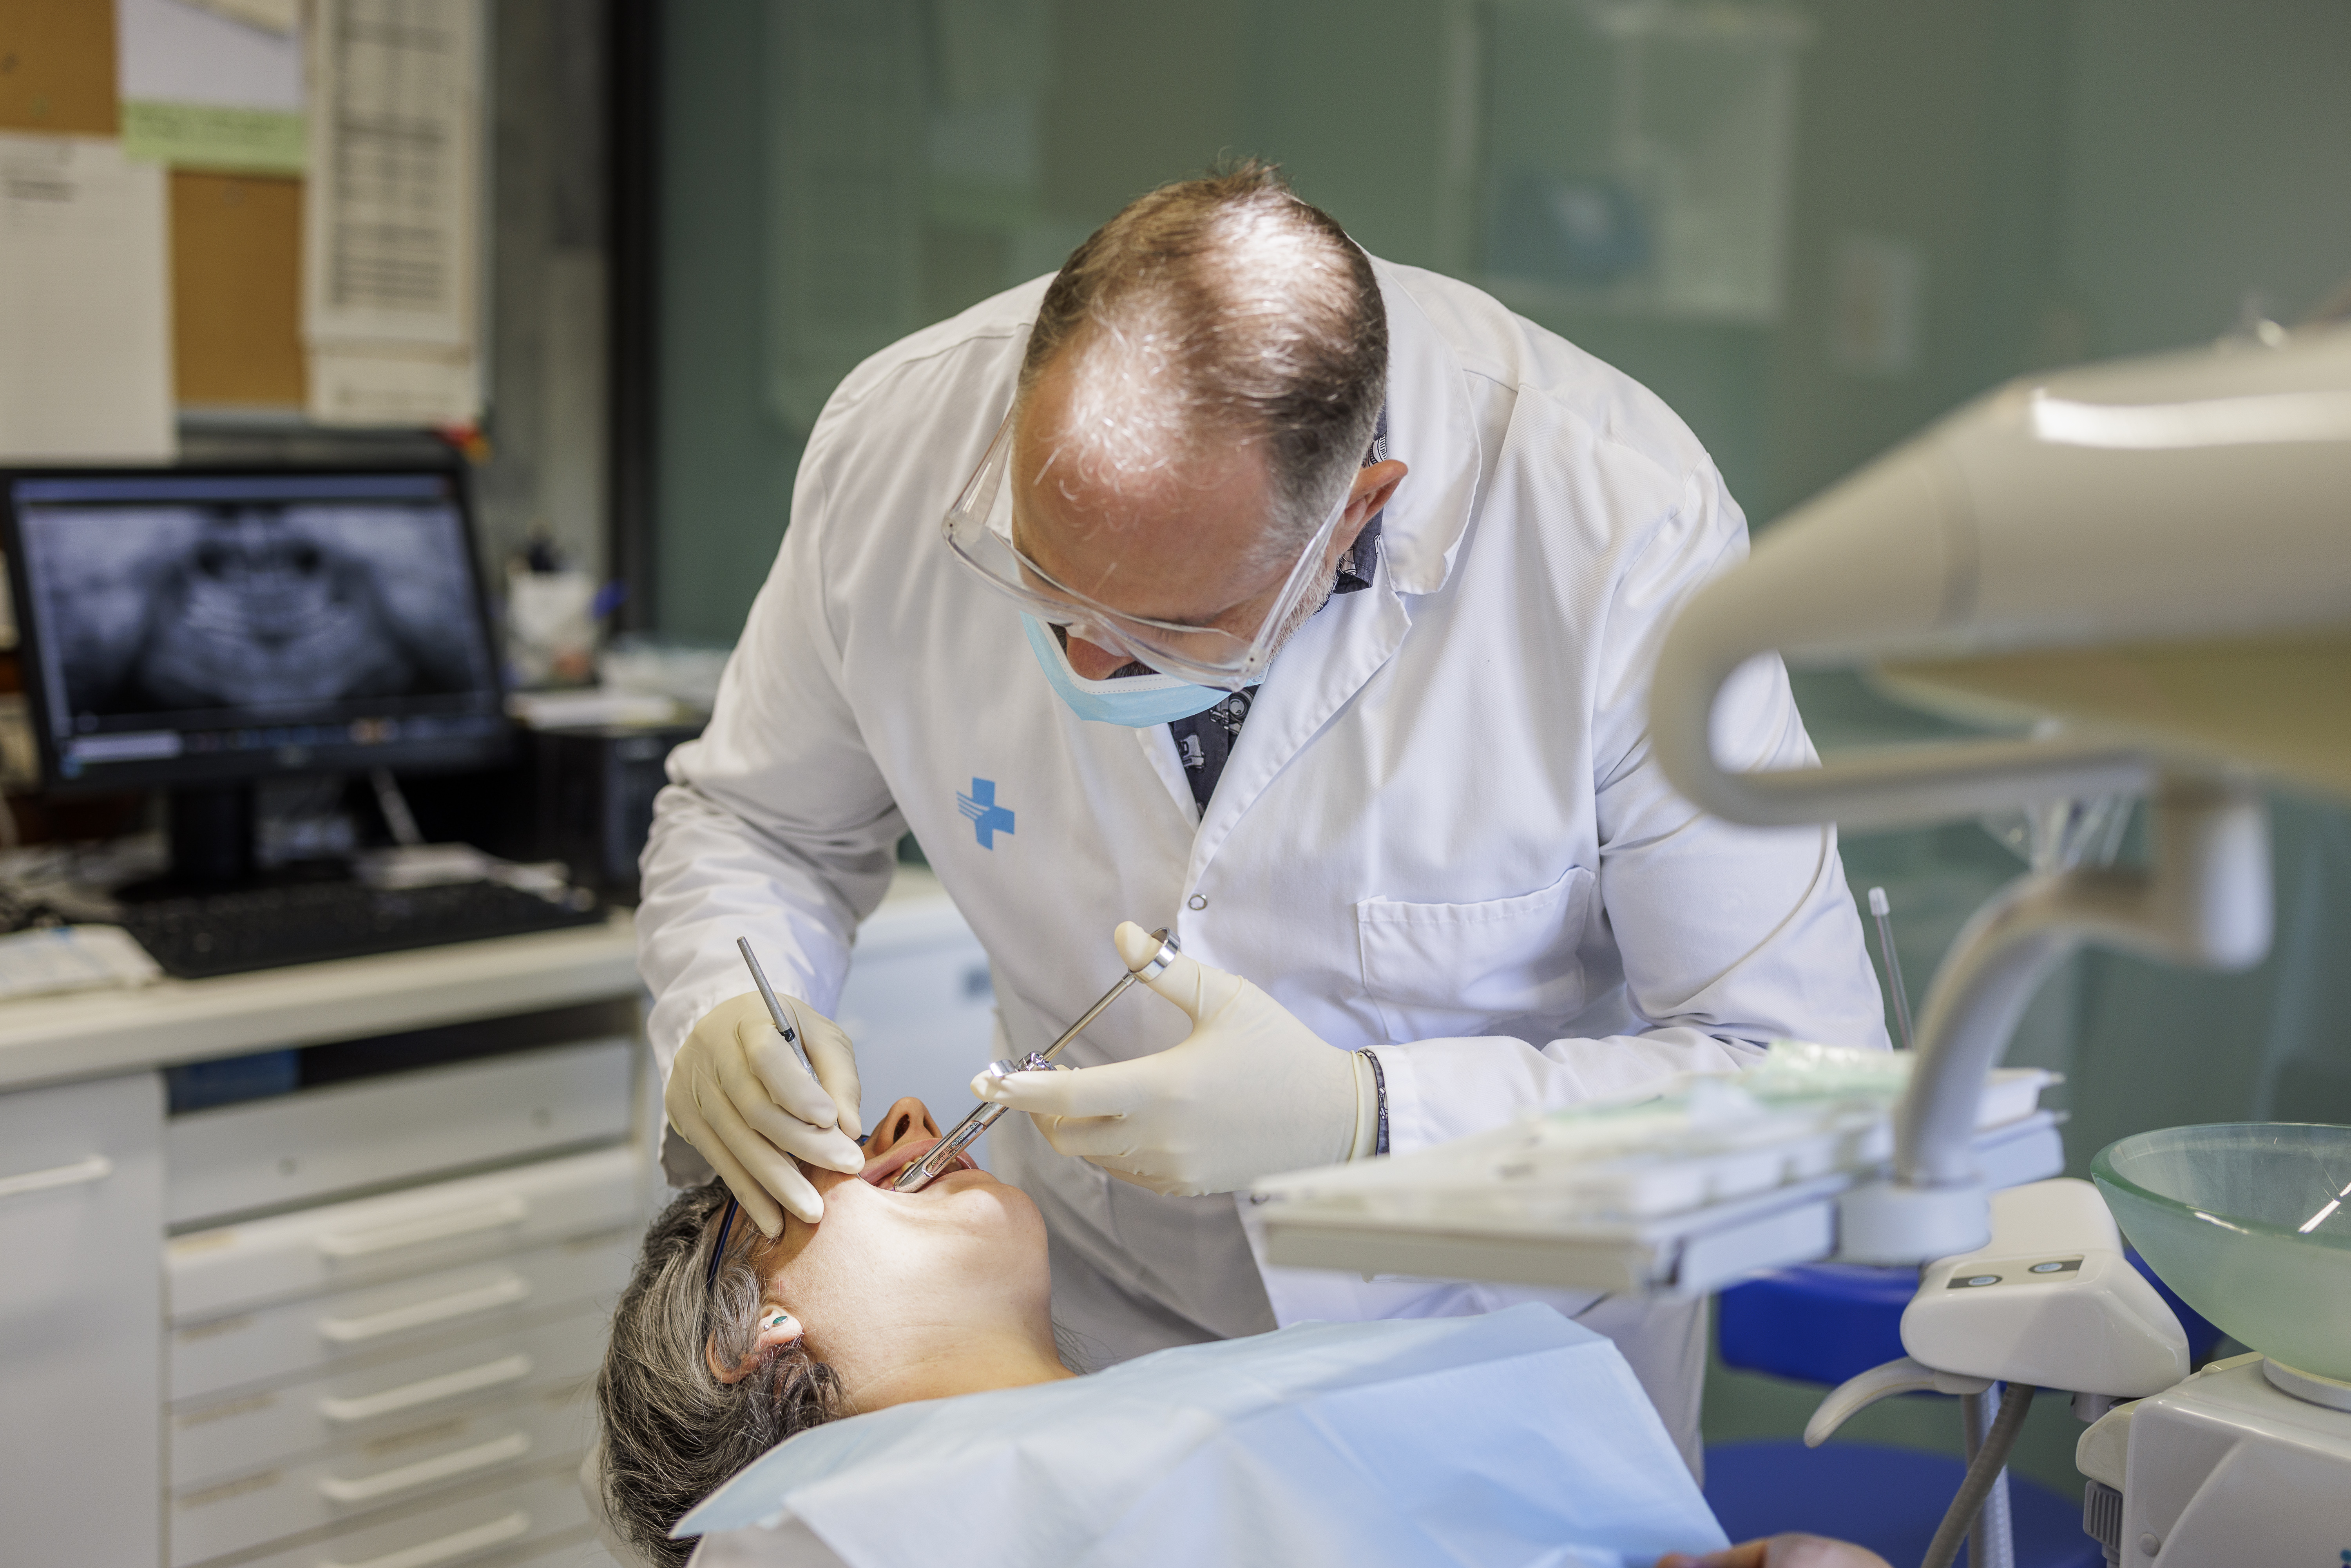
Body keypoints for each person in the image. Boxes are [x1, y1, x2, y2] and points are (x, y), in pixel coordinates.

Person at [636, 161, 1887, 1464]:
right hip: (1114, 1350)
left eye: (1167, 624)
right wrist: (732, 1004)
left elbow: (1810, 1095)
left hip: (1489, 1387)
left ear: (1361, 511)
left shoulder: (1617, 530)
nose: (1084, 663)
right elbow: (759, 825)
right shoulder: (900, 441)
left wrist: (1370, 1118)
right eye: (1040, 582)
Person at [595, 1101, 1795, 1568]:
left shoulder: (1204, 1428)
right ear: (749, 1331)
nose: (904, 1118)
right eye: (811, 1163)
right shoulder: (811, 1543)